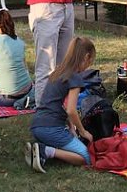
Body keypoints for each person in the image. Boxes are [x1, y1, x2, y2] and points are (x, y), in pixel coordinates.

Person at [25, 37, 96, 173]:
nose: (89, 65)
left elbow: (61, 104)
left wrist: (71, 128)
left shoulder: (58, 72)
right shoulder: (75, 78)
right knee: (85, 157)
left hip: (37, 126)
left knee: (71, 146)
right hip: (51, 129)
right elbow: (71, 110)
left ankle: (41, 149)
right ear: (86, 57)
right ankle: (46, 151)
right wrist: (83, 131)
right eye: (91, 61)